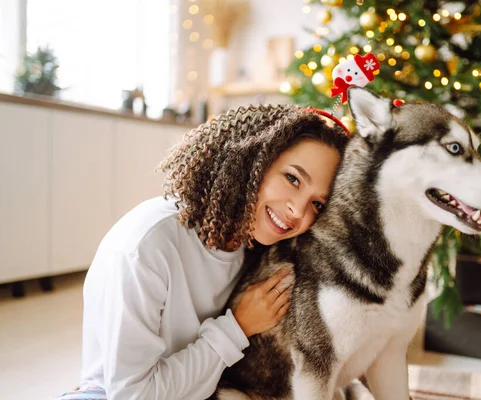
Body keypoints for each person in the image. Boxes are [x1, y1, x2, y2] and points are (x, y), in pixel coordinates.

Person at [57, 104, 350, 400]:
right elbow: (132, 395)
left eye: (317, 204)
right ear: (252, 161)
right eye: (292, 178)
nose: (298, 211)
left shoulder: (257, 248)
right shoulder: (149, 244)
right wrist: (237, 327)